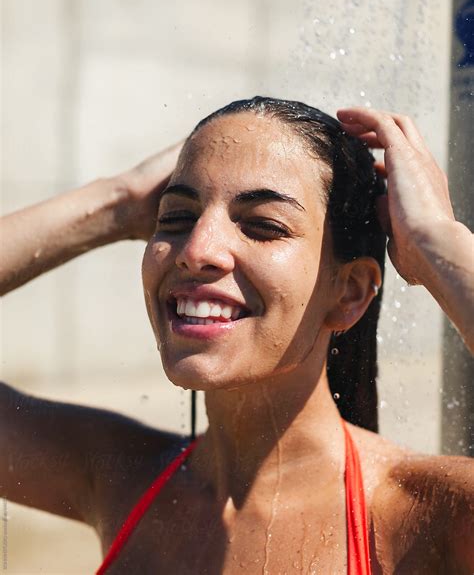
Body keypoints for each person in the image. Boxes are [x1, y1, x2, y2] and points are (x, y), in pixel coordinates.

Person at [1, 98, 473, 574]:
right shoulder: (120, 478)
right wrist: (117, 202)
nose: (196, 250)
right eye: (177, 218)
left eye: (264, 226)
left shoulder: (422, 514)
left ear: (348, 293)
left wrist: (436, 242)